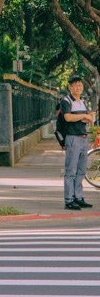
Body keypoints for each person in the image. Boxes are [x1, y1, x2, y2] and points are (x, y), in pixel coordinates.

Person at [57, 75, 94, 210]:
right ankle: (69, 199)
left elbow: (85, 118)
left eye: (80, 85)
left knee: (81, 170)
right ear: (70, 87)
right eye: (75, 85)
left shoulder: (82, 101)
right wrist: (84, 116)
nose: (78, 88)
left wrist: (87, 117)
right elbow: (67, 117)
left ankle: (78, 197)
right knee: (71, 170)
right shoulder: (66, 101)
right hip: (72, 138)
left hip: (83, 138)